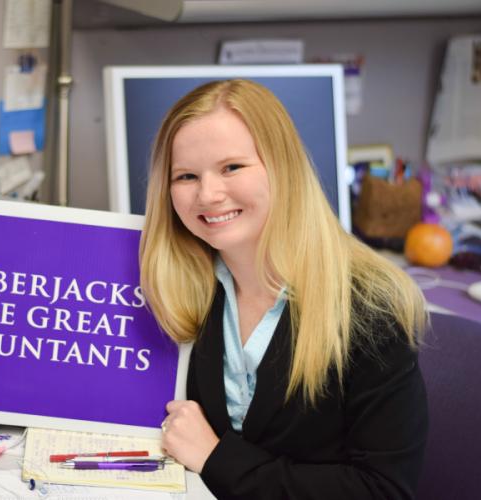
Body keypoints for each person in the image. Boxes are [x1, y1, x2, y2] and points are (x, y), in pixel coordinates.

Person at [139, 79, 428, 499]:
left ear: (282, 166)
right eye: (186, 175)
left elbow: (382, 490)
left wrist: (217, 458)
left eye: (231, 167)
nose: (208, 194)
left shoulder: (367, 308)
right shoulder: (182, 285)